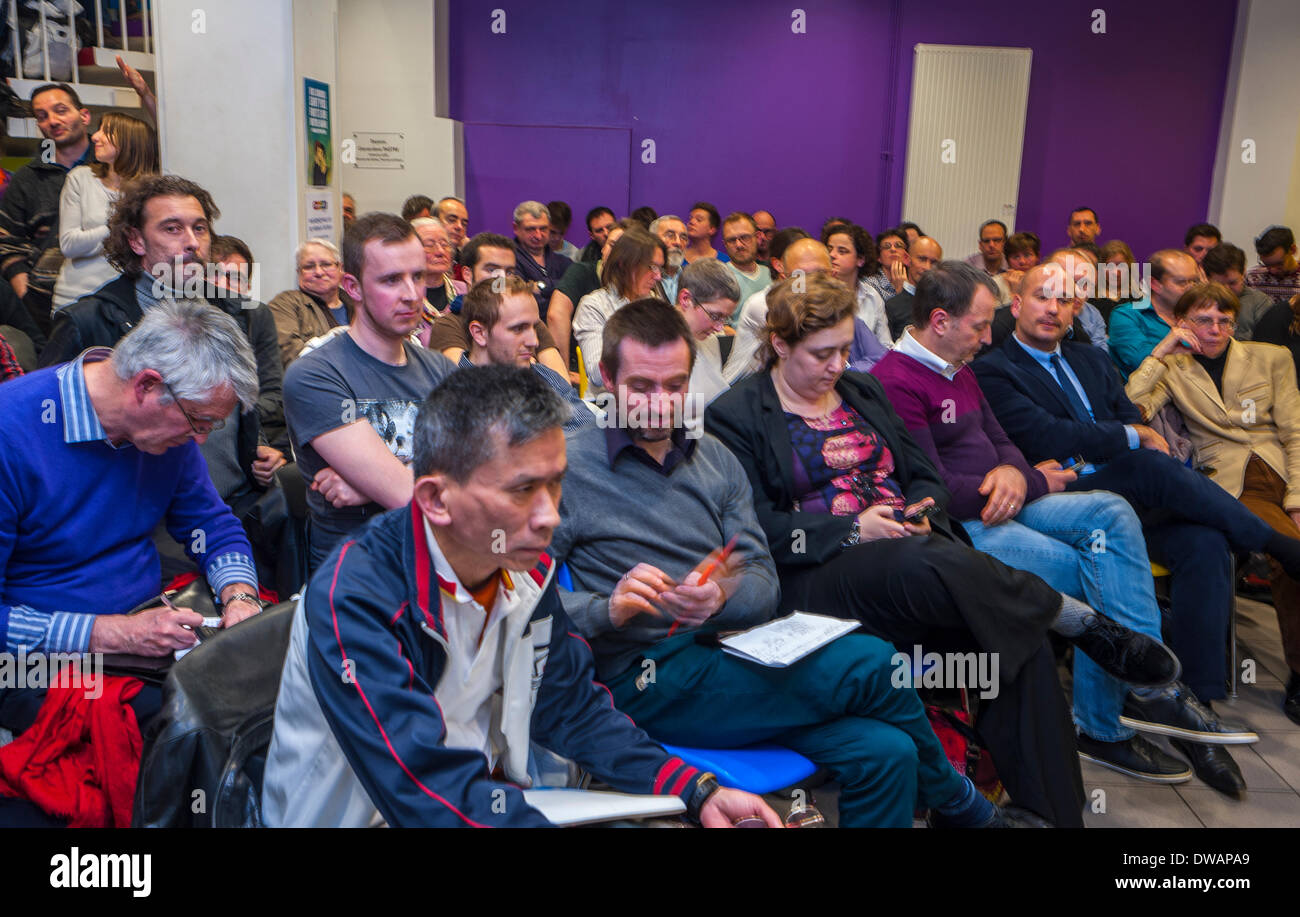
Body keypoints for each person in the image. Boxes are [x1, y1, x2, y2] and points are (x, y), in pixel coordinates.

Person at [706, 272, 1183, 826]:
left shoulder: (861, 390)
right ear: (780, 346)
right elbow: (755, 526)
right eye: (822, 354)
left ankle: (1049, 815)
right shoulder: (736, 413)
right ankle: (1071, 618)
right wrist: (857, 528)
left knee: (1015, 643)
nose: (839, 365)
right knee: (921, 560)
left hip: (915, 560)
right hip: (819, 573)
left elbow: (924, 475)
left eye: (844, 348)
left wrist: (917, 509)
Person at [550, 299, 1038, 828]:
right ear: (605, 377)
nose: (660, 404)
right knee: (873, 661)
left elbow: (763, 577)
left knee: (887, 752)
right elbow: (516, 607)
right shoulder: (565, 469)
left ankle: (958, 803)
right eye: (642, 387)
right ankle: (968, 809)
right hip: (647, 678)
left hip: (733, 658)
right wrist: (609, 610)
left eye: (674, 386)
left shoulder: (714, 459)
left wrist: (721, 598)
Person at [263, 365, 779, 828]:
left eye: (555, 485)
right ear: (437, 499)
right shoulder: (357, 594)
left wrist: (694, 789)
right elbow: (421, 788)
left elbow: (570, 707)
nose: (550, 515)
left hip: (483, 800)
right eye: (521, 490)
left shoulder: (522, 568)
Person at [873, 261, 1247, 786]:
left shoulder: (958, 365)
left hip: (1011, 498)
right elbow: (927, 485)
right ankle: (1116, 715)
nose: (988, 336)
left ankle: (1144, 688)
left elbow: (1003, 442)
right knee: (1096, 571)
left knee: (1112, 513)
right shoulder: (895, 380)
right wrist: (1017, 478)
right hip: (964, 522)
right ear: (939, 320)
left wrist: (1017, 473)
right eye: (980, 326)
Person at [975, 264, 1300, 781]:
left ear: (1077, 309)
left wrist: (1123, 433)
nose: (1053, 309)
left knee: (1205, 541)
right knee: (1147, 459)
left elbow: (1129, 411)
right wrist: (1126, 437)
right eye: (1042, 297)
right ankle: (1280, 548)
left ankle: (1195, 707)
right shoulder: (995, 368)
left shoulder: (1090, 358)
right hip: (1072, 496)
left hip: (1131, 491)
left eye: (1065, 300)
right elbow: (1047, 436)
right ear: (1016, 305)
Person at [0, 301, 262, 824]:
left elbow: (211, 523)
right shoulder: (13, 429)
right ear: (145, 386)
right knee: (188, 726)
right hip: (36, 655)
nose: (201, 439)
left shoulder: (165, 430)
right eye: (198, 422)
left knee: (262, 689)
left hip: (146, 623)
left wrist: (240, 596)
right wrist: (111, 635)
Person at [1126, 281, 1300, 727]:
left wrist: (1298, 497)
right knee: (1285, 552)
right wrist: (1162, 350)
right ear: (1184, 322)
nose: (1216, 328)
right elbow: (1129, 410)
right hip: (1231, 482)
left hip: (1282, 470)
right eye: (1204, 319)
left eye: (1224, 319)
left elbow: (1295, 431)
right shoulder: (1174, 366)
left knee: (1288, 536)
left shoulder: (1270, 357)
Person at [282, 213, 456, 572]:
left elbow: (487, 471)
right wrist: (398, 482)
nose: (411, 295)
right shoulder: (316, 375)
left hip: (437, 565)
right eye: (391, 280)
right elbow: (407, 496)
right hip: (359, 582)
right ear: (353, 286)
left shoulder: (439, 369)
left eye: (417, 276)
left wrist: (366, 487)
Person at [0, 83, 94, 342]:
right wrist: (25, 294)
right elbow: (8, 242)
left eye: (61, 110)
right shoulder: (27, 178)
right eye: (42, 116)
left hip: (108, 295)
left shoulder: (114, 165)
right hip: (46, 304)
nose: (52, 121)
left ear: (84, 116)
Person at [727, 237, 885, 384]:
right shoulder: (769, 305)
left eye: (820, 275)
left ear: (833, 276)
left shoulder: (839, 311)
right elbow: (805, 370)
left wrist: (848, 369)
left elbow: (881, 359)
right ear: (784, 276)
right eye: (800, 275)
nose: (811, 283)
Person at [53, 112, 157, 311]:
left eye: (106, 132)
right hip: (75, 297)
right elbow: (69, 245)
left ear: (130, 142)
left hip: (128, 301)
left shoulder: (150, 192)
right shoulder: (81, 178)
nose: (94, 137)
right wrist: (120, 227)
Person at [458, 275, 592, 430]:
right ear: (480, 333)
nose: (534, 342)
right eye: (518, 329)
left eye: (534, 327)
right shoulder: (456, 399)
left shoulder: (544, 376)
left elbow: (591, 432)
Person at [424, 231, 567, 376]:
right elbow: (464, 381)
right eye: (491, 270)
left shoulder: (530, 321)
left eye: (509, 272)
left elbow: (561, 383)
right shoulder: (450, 324)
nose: (501, 279)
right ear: (468, 274)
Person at [572, 227, 666, 393]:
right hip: (608, 405)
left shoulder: (656, 304)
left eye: (660, 268)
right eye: (652, 267)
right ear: (624, 264)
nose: (658, 276)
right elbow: (598, 374)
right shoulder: (594, 306)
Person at [1108, 249, 1199, 378]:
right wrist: (1170, 346)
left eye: (1194, 281)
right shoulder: (1127, 316)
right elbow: (1139, 363)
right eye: (1182, 282)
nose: (1191, 288)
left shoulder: (1202, 316)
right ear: (1154, 284)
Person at [268, 239, 354, 370]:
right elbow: (292, 357)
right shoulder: (285, 305)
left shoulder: (359, 303)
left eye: (326, 264)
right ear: (299, 273)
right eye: (309, 267)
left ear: (340, 269)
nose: (319, 272)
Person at [673, 259, 739, 404]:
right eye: (715, 316)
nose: (719, 328)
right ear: (685, 299)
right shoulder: (654, 345)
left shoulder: (710, 339)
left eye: (725, 319)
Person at [824, 222, 888, 345]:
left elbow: (885, 346)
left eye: (842, 251)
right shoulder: (815, 290)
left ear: (860, 260)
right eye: (829, 249)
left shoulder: (873, 297)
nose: (832, 255)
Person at [409, 216, 466, 346]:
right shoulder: (406, 296)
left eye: (445, 245)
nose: (440, 251)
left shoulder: (464, 291)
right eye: (430, 245)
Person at [511, 200, 571, 318]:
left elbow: (578, 290)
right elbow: (524, 304)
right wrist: (560, 297)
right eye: (530, 229)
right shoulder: (508, 261)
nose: (538, 236)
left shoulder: (564, 262)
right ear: (516, 228)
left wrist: (541, 286)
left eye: (543, 229)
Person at [1204, 242, 1274, 342]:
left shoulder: (1260, 303)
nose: (1226, 290)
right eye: (1219, 284)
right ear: (1207, 279)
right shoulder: (1198, 302)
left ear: (1243, 274)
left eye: (1232, 283)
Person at [884, 235, 942, 341]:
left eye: (933, 262)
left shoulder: (945, 303)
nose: (927, 267)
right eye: (922, 259)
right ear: (907, 259)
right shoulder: (892, 306)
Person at [721, 212, 769, 321]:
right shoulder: (718, 279)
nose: (739, 245)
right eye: (732, 240)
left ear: (757, 237)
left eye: (744, 237)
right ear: (725, 244)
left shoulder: (771, 275)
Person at [1246, 225, 1300, 305]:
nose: (1273, 271)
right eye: (1267, 265)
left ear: (1292, 250)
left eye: (1279, 264)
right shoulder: (1252, 278)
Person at [649, 214, 688, 303]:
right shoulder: (642, 278)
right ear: (652, 239)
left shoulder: (693, 279)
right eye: (670, 235)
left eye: (683, 237)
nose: (678, 242)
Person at [865, 226, 909, 301]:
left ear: (906, 255)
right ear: (879, 258)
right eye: (886, 246)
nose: (893, 249)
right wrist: (901, 293)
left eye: (898, 245)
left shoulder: (913, 282)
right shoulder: (870, 284)